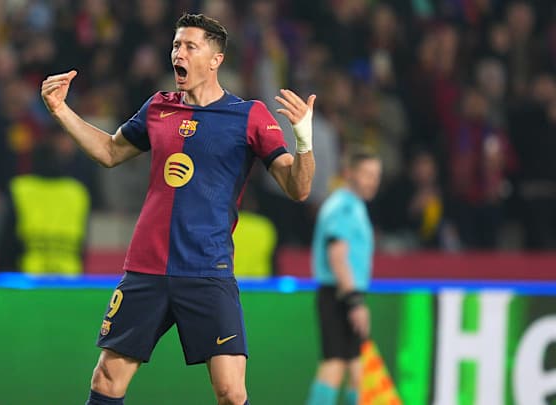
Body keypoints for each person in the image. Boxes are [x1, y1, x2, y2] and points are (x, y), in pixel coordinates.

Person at [41, 13, 316, 405]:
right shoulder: (159, 107)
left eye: (190, 46)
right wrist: (60, 110)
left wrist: (303, 140)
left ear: (216, 59)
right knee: (106, 379)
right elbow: (109, 151)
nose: (178, 54)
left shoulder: (248, 115)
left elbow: (298, 188)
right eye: (175, 45)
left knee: (231, 391)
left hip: (207, 269)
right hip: (147, 267)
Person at [307, 150, 382, 405]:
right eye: (367, 174)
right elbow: (337, 256)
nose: (373, 181)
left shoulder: (354, 206)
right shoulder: (344, 207)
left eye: (376, 176)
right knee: (335, 364)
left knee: (356, 370)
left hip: (345, 293)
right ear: (350, 173)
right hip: (338, 294)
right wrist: (354, 302)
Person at [0, 139, 90, 276]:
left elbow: (6, 241)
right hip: (69, 277)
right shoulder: (77, 192)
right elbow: (82, 244)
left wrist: (3, 274)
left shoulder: (20, 189)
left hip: (28, 277)